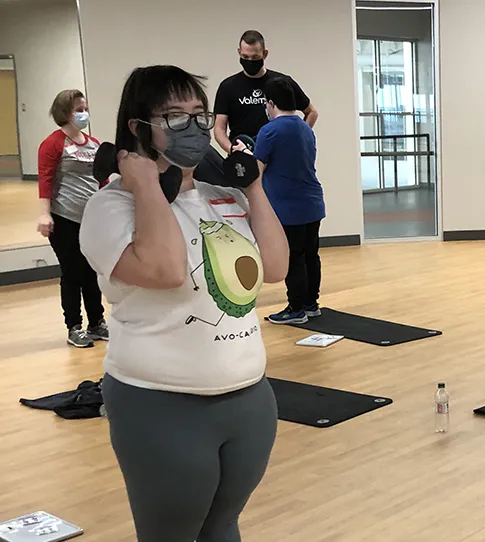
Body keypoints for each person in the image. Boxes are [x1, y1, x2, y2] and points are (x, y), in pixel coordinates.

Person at [78, 65, 289, 542]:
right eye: (174, 116)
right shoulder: (112, 208)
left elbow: (275, 269)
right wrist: (147, 185)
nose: (193, 127)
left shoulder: (226, 196)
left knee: (222, 528)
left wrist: (253, 187)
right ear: (138, 129)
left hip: (249, 399)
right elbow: (165, 270)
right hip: (160, 403)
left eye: (199, 114)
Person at [37, 89, 108, 348]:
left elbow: (101, 180)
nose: (83, 113)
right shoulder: (53, 144)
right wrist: (45, 214)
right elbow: (45, 179)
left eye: (85, 108)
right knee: (72, 272)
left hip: (91, 219)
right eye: (78, 109)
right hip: (64, 217)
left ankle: (97, 322)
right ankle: (74, 326)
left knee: (91, 271)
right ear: (65, 112)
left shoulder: (94, 143)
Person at [254, 75, 326, 324]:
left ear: (270, 103)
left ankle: (295, 310)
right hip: (313, 202)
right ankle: (310, 304)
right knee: (310, 255)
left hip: (288, 206)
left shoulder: (269, 131)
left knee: (293, 257)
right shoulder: (306, 127)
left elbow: (256, 171)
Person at [213, 30, 318, 153]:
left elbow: (311, 112)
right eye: (245, 57)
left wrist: (298, 138)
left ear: (265, 54)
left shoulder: (282, 82)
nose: (250, 61)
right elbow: (219, 129)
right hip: (244, 158)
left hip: (278, 155)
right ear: (239, 52)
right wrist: (233, 150)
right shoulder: (227, 87)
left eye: (255, 57)